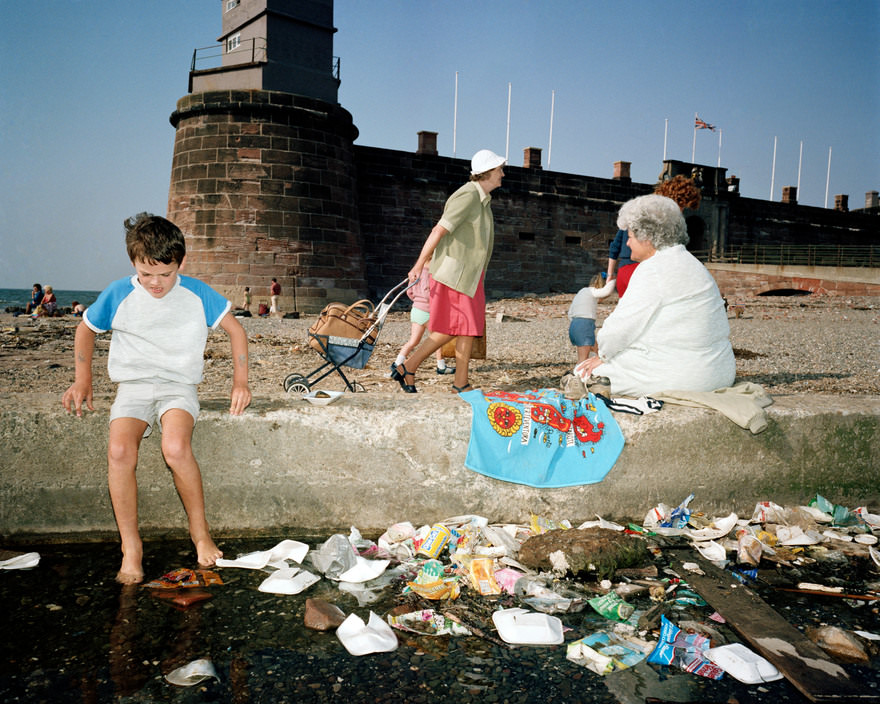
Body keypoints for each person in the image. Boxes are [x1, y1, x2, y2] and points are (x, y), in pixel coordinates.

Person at [61, 213, 252, 584]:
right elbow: (85, 330)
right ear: (133, 263)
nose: (156, 283)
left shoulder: (196, 293)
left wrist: (240, 382)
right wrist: (82, 380)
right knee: (119, 452)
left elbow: (236, 331)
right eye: (146, 274)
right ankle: (131, 547)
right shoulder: (119, 292)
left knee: (176, 448)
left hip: (178, 386)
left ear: (180, 262)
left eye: (165, 274)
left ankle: (201, 534)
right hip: (132, 386)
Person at [575, 194, 734, 396]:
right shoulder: (693, 264)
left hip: (689, 377)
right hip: (720, 370)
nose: (628, 244)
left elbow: (621, 327)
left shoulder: (653, 269)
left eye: (630, 237)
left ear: (647, 237)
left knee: (581, 372)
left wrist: (603, 355)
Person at [390, 149, 506, 393]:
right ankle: (408, 366)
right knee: (450, 330)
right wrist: (419, 264)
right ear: (486, 173)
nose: (503, 174)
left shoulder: (483, 200)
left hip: (471, 276)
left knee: (469, 329)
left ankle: (460, 382)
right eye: (499, 170)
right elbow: (438, 230)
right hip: (455, 275)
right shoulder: (467, 195)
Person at [392, 262, 454, 376]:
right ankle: (441, 366)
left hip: (416, 309)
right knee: (437, 340)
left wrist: (417, 300)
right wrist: (438, 303)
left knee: (413, 341)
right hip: (428, 311)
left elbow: (409, 291)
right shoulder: (428, 272)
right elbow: (427, 293)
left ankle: (397, 363)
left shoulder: (416, 271)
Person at [568, 272, 616, 363]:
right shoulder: (591, 291)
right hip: (584, 326)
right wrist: (615, 280)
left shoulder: (582, 292)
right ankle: (578, 375)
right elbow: (606, 291)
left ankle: (602, 367)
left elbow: (570, 313)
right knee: (583, 359)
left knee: (598, 351)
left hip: (574, 325)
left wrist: (577, 323)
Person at [606, 229, 636, 297]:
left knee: (624, 304)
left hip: (623, 270)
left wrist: (610, 274)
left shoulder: (626, 222)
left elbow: (614, 248)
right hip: (639, 268)